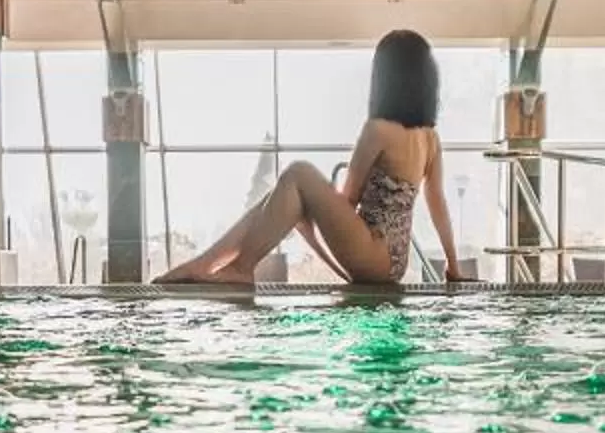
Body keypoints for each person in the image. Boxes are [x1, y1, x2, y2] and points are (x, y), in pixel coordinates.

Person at [160, 28, 471, 289]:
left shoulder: (377, 130)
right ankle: (205, 265)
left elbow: (348, 199)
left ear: (385, 79)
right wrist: (453, 268)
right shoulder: (430, 138)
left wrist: (312, 211)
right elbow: (437, 204)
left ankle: (240, 268)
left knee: (298, 173)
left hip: (372, 253)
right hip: (394, 263)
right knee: (280, 195)